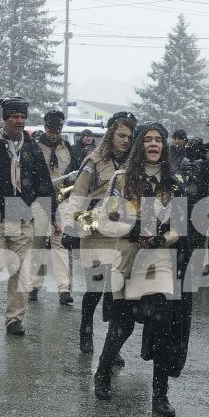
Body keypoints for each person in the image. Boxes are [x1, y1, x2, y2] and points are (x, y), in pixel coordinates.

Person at [91, 121, 190, 417]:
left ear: (165, 146)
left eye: (158, 139)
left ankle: (160, 395)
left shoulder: (174, 182)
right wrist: (134, 228)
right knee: (122, 326)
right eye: (147, 139)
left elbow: (179, 227)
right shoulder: (121, 179)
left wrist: (163, 237)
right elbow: (104, 220)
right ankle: (103, 373)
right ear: (138, 145)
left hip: (159, 259)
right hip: (127, 257)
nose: (153, 144)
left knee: (162, 327)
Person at [0, 97, 55, 337]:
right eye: (14, 117)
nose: (19, 121)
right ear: (5, 119)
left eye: (22, 117)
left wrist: (52, 214)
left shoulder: (31, 148)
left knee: (20, 270)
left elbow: (44, 183)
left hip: (21, 214)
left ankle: (14, 319)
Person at [64, 113, 135, 356]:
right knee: (96, 287)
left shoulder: (135, 163)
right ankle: (86, 327)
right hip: (95, 230)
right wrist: (70, 228)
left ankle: (111, 348)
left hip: (123, 233)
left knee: (117, 292)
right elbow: (78, 195)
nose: (126, 140)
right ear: (111, 135)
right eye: (121, 135)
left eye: (130, 136)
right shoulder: (94, 160)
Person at [36, 108, 76, 305]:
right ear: (45, 127)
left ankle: (64, 289)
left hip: (61, 200)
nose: (54, 134)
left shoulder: (67, 148)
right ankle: (34, 285)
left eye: (57, 130)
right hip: (39, 200)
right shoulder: (34, 148)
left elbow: (74, 173)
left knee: (59, 244)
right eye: (51, 130)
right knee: (37, 243)